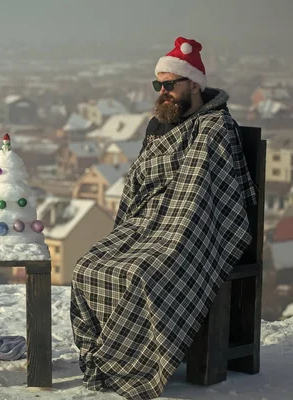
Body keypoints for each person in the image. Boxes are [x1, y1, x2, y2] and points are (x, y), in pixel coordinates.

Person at [70, 37, 257, 400]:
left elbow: (199, 191)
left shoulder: (214, 128)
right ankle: (104, 359)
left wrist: (170, 233)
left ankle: (133, 367)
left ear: (194, 84)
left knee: (141, 274)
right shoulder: (158, 127)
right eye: (159, 85)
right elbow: (139, 181)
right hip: (144, 223)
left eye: (170, 84)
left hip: (192, 228)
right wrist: (138, 225)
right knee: (87, 268)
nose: (164, 92)